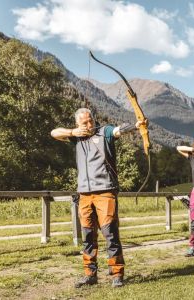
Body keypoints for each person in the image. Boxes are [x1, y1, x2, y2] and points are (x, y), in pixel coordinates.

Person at [51, 107, 146, 288]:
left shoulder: (104, 132)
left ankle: (117, 274)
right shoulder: (76, 136)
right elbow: (54, 132)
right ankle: (90, 274)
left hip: (105, 191)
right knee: (87, 235)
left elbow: (119, 130)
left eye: (90, 121)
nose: (88, 125)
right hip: (84, 193)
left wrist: (136, 125)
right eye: (84, 123)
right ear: (78, 124)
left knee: (110, 232)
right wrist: (73, 132)